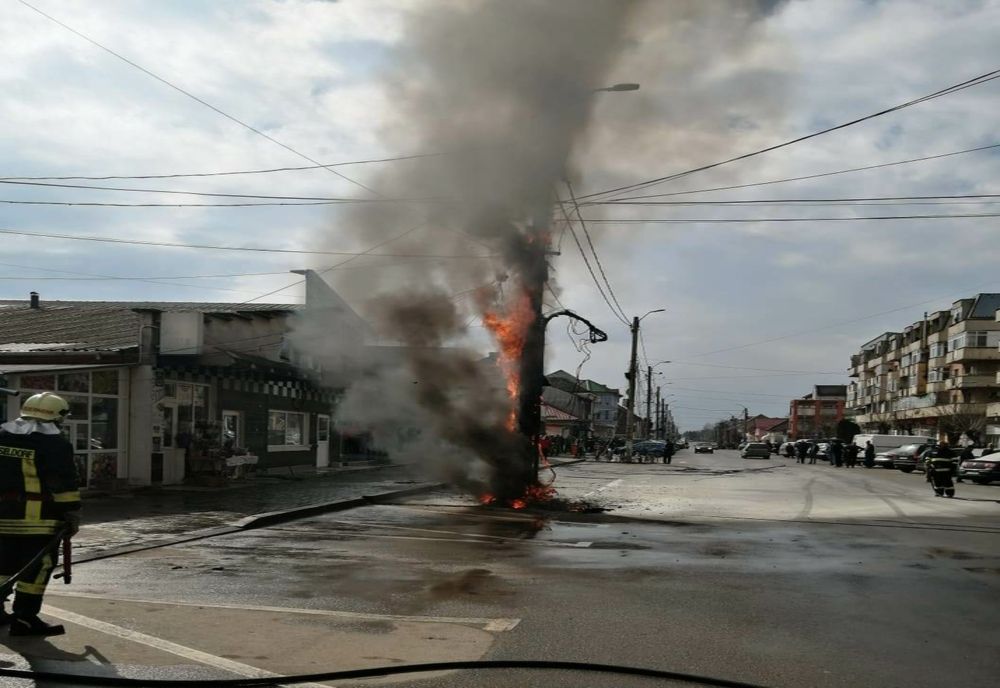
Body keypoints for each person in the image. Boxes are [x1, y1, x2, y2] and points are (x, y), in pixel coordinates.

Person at [0, 393, 81, 636]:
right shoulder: (55, 444)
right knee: (38, 567)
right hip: (38, 520)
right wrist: (71, 513)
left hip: (1, 517)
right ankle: (25, 619)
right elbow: (62, 483)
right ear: (57, 417)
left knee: (2, 565)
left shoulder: (2, 436)